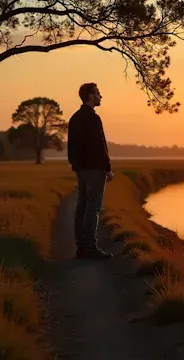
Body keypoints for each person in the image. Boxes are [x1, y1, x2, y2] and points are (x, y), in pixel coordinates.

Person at [67, 82, 115, 260]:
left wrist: (75, 165)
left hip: (81, 169)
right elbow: (100, 145)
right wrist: (108, 168)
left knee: (82, 206)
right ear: (90, 96)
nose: (100, 96)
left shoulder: (74, 118)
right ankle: (90, 248)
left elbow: (70, 146)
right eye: (98, 93)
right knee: (92, 208)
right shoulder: (94, 119)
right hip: (94, 169)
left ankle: (81, 247)